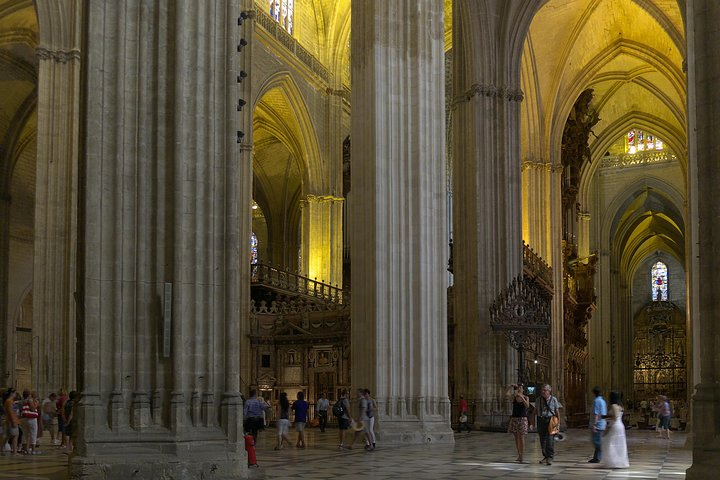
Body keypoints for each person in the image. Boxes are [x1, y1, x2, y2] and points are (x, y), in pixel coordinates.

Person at [597, 391, 629, 469]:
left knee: (610, 443)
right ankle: (618, 461)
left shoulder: (614, 405)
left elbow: (614, 417)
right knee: (618, 444)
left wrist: (605, 419)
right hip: (620, 425)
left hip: (615, 426)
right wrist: (606, 417)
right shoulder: (620, 406)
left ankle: (613, 462)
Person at [535, 384, 562, 466]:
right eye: (542, 390)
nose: (543, 392)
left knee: (550, 440)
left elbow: (557, 412)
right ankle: (545, 456)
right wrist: (532, 422)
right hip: (541, 420)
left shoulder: (553, 399)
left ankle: (550, 457)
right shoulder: (538, 400)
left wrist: (558, 424)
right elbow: (535, 411)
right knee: (542, 440)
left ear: (549, 391)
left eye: (545, 390)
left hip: (551, 420)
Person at [505, 383, 529, 463]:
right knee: (516, 437)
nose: (519, 389)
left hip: (522, 419)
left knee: (521, 437)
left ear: (523, 390)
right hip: (515, 418)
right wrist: (510, 386)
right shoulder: (514, 398)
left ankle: (522, 455)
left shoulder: (526, 397)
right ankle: (519, 454)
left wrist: (522, 397)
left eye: (521, 388)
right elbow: (507, 394)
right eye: (518, 388)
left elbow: (527, 406)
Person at [588, 386, 607, 463]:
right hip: (602, 423)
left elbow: (596, 413)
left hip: (598, 424)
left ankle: (600, 455)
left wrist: (594, 425)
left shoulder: (596, 401)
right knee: (598, 440)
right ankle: (596, 457)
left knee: (596, 441)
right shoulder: (603, 401)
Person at [2, 388, 19, 455]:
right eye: (15, 393)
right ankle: (15, 452)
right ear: (12, 393)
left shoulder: (9, 401)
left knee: (7, 436)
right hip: (12, 421)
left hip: (10, 420)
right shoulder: (9, 401)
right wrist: (13, 422)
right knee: (15, 436)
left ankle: (1, 449)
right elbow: (10, 412)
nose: (15, 394)